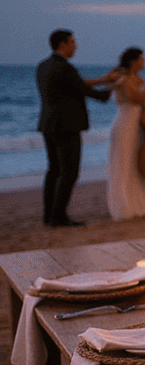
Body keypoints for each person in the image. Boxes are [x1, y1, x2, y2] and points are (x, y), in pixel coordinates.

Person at [36, 29, 118, 227]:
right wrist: (110, 88)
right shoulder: (65, 68)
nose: (76, 46)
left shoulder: (43, 66)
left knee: (53, 170)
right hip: (67, 126)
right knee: (69, 172)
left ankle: (49, 215)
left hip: (48, 124)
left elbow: (75, 85)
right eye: (72, 42)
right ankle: (58, 216)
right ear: (62, 44)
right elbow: (85, 90)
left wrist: (103, 79)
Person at [106, 47, 145, 221]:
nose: (144, 62)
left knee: (139, 162)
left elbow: (142, 104)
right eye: (141, 59)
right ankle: (126, 206)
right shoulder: (123, 78)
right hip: (125, 123)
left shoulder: (137, 79)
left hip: (138, 122)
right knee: (126, 162)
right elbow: (139, 99)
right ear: (133, 61)